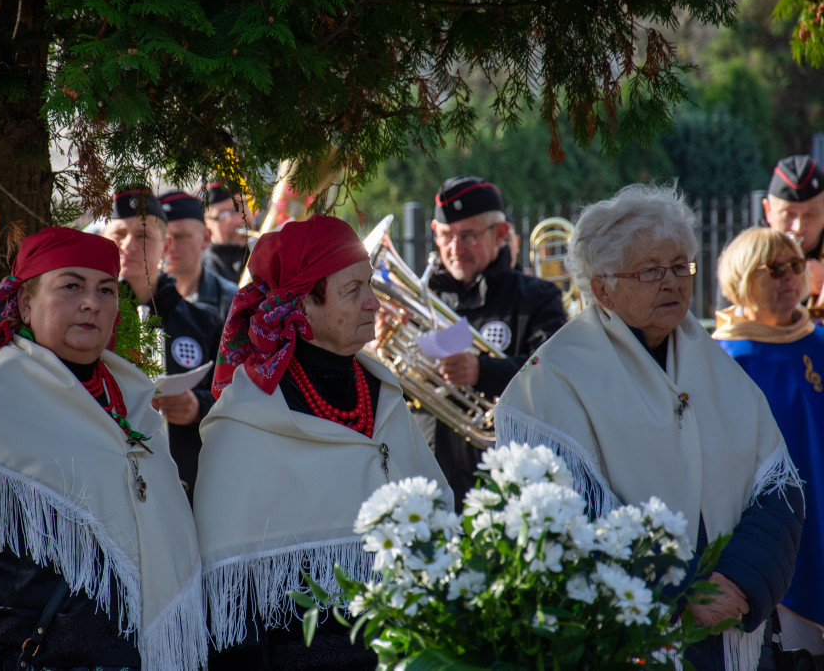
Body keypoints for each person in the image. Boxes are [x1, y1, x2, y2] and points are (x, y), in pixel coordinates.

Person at [494, 184, 804, 670]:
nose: (675, 283)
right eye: (652, 271)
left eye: (681, 266)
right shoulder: (553, 380)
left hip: (732, 625)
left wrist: (740, 582)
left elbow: (779, 493)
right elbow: (566, 524)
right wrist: (683, 595)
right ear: (601, 288)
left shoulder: (715, 364)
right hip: (631, 638)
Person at [0, 226, 206, 670]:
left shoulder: (133, 404)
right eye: (71, 286)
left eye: (106, 289)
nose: (92, 302)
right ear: (25, 302)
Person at [196, 214, 452, 670]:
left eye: (369, 286)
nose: (374, 303)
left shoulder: (383, 393)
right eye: (354, 290)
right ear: (301, 306)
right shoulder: (246, 418)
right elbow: (230, 600)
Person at [714, 227, 824, 656]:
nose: (789, 277)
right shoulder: (724, 358)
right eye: (774, 269)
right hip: (773, 536)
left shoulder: (817, 341)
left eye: (796, 266)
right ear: (742, 279)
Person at [426, 176, 567, 506]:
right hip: (430, 477)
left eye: (469, 236)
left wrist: (481, 371)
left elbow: (555, 373)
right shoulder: (424, 299)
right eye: (446, 236)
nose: (455, 248)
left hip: (505, 483)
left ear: (501, 234)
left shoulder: (538, 298)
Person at [102, 185, 220, 503]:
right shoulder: (91, 324)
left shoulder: (203, 322)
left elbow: (233, 397)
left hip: (188, 486)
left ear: (166, 245)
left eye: (142, 236)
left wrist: (199, 406)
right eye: (118, 234)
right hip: (110, 486)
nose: (128, 245)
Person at [159, 189, 238, 324]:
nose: (170, 247)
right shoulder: (141, 297)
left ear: (206, 238)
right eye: (161, 238)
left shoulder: (230, 301)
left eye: (180, 236)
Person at [762, 155, 824, 307]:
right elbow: (731, 325)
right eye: (788, 214)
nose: (798, 227)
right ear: (768, 210)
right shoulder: (748, 253)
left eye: (810, 214)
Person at [199, 180, 257, 284]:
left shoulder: (269, 240)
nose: (238, 220)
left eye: (240, 207)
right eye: (223, 215)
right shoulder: (202, 272)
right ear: (205, 224)